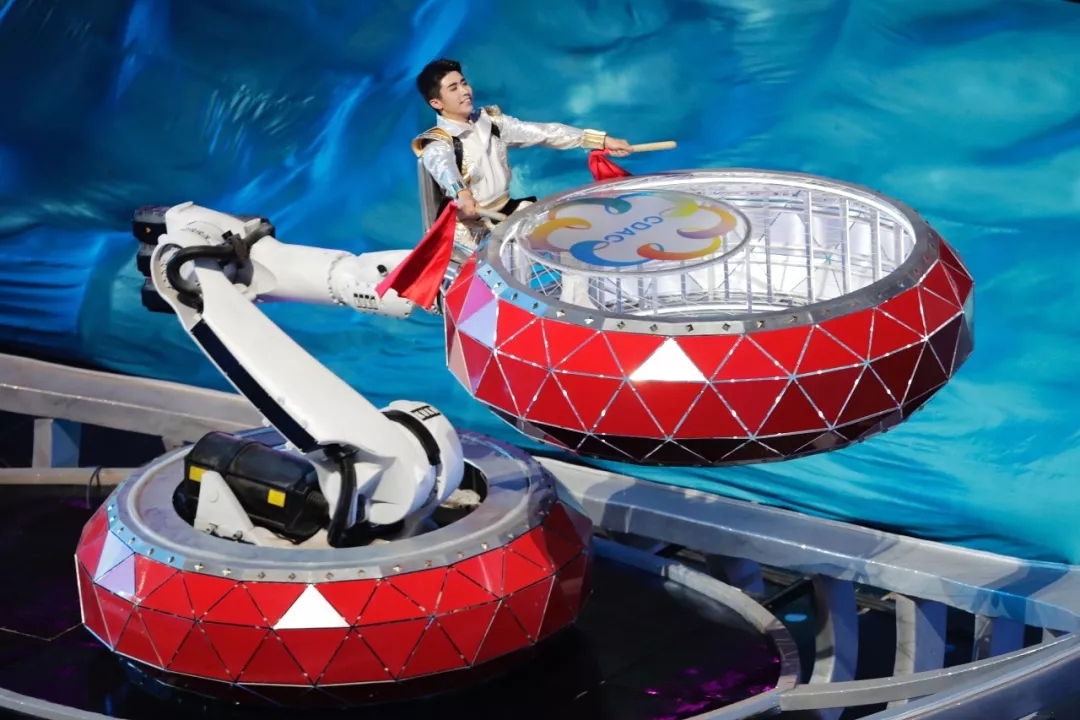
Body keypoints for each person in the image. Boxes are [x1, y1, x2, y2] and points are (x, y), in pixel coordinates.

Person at [411, 58, 633, 266]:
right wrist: (461, 193)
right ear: (436, 102)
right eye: (453, 88)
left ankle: (580, 292)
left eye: (464, 83)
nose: (465, 91)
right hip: (467, 231)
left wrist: (600, 140)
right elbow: (443, 168)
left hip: (507, 212)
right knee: (505, 271)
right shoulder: (438, 142)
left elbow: (545, 133)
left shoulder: (492, 123)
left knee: (570, 238)